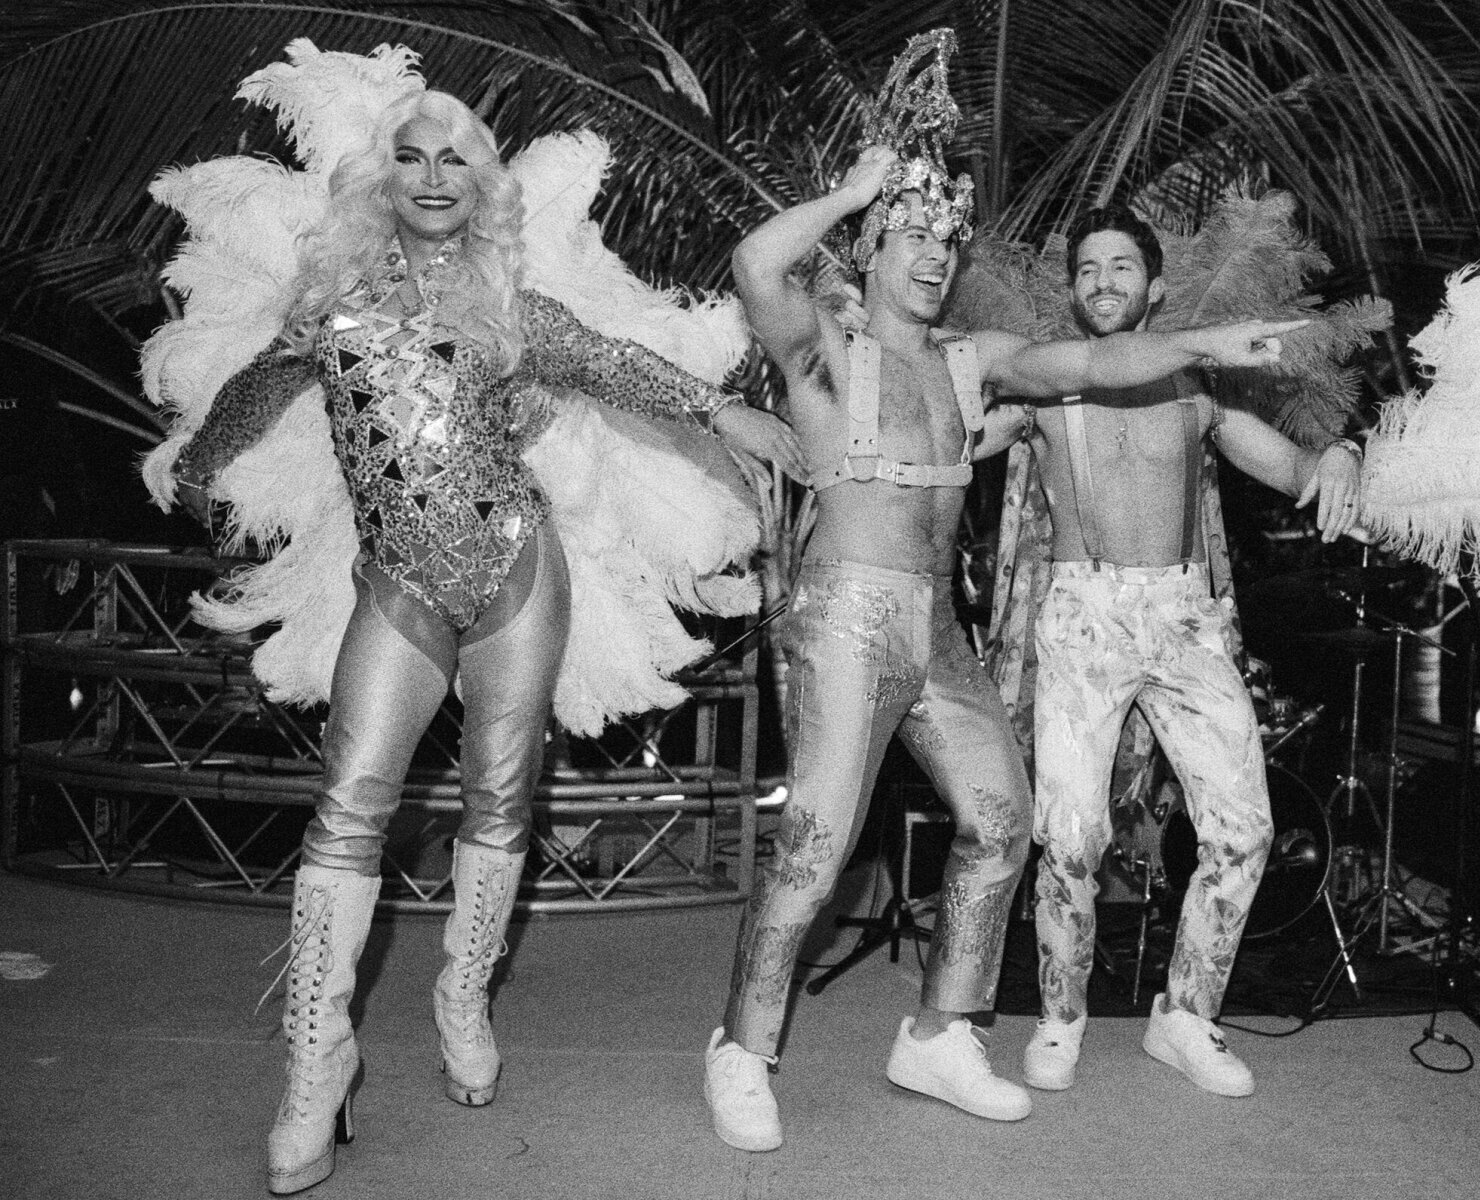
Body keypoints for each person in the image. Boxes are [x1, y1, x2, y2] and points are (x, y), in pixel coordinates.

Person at [167, 86, 796, 1194]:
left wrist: (723, 412)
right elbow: (254, 393)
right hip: (397, 587)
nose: (433, 176)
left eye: (455, 159)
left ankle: (463, 994)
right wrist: (201, 460)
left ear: (481, 181)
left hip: (516, 568)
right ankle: (318, 1059)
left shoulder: (510, 302)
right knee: (352, 802)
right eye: (412, 158)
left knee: (501, 795)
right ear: (385, 178)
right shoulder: (334, 306)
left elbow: (609, 362)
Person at [701, 29, 1304, 1153]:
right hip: (842, 615)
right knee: (819, 845)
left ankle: (939, 1031)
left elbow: (1086, 366)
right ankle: (742, 1046)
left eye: (947, 240)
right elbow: (752, 266)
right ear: (873, 250)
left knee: (1004, 820)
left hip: (938, 624)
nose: (935, 257)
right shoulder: (825, 352)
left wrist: (1211, 339)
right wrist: (851, 191)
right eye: (914, 239)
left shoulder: (971, 357)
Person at [988, 204, 1363, 1098]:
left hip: (1184, 617)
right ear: (1073, 291)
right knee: (1069, 835)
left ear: (1155, 286)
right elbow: (944, 446)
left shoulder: (1200, 393)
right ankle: (1061, 1017)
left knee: (1244, 829)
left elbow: (1297, 472)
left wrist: (1344, 449)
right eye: (1086, 269)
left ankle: (1187, 1016)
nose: (1103, 282)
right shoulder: (1045, 388)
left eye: (1121, 267)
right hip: (1083, 615)